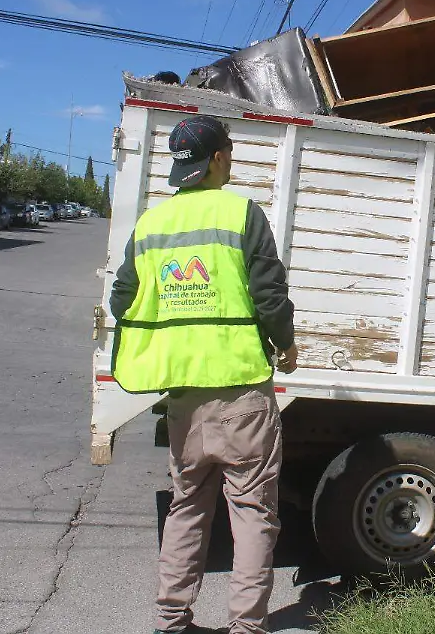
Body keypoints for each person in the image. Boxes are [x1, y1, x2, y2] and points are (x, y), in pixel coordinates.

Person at [109, 114, 297, 634]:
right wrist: (287, 343)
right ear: (217, 159)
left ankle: (171, 621)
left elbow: (122, 298)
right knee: (253, 512)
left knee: (187, 505)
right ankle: (246, 627)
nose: (231, 161)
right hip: (241, 392)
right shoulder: (241, 213)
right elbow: (269, 294)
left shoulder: (150, 225)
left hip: (183, 397)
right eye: (229, 153)